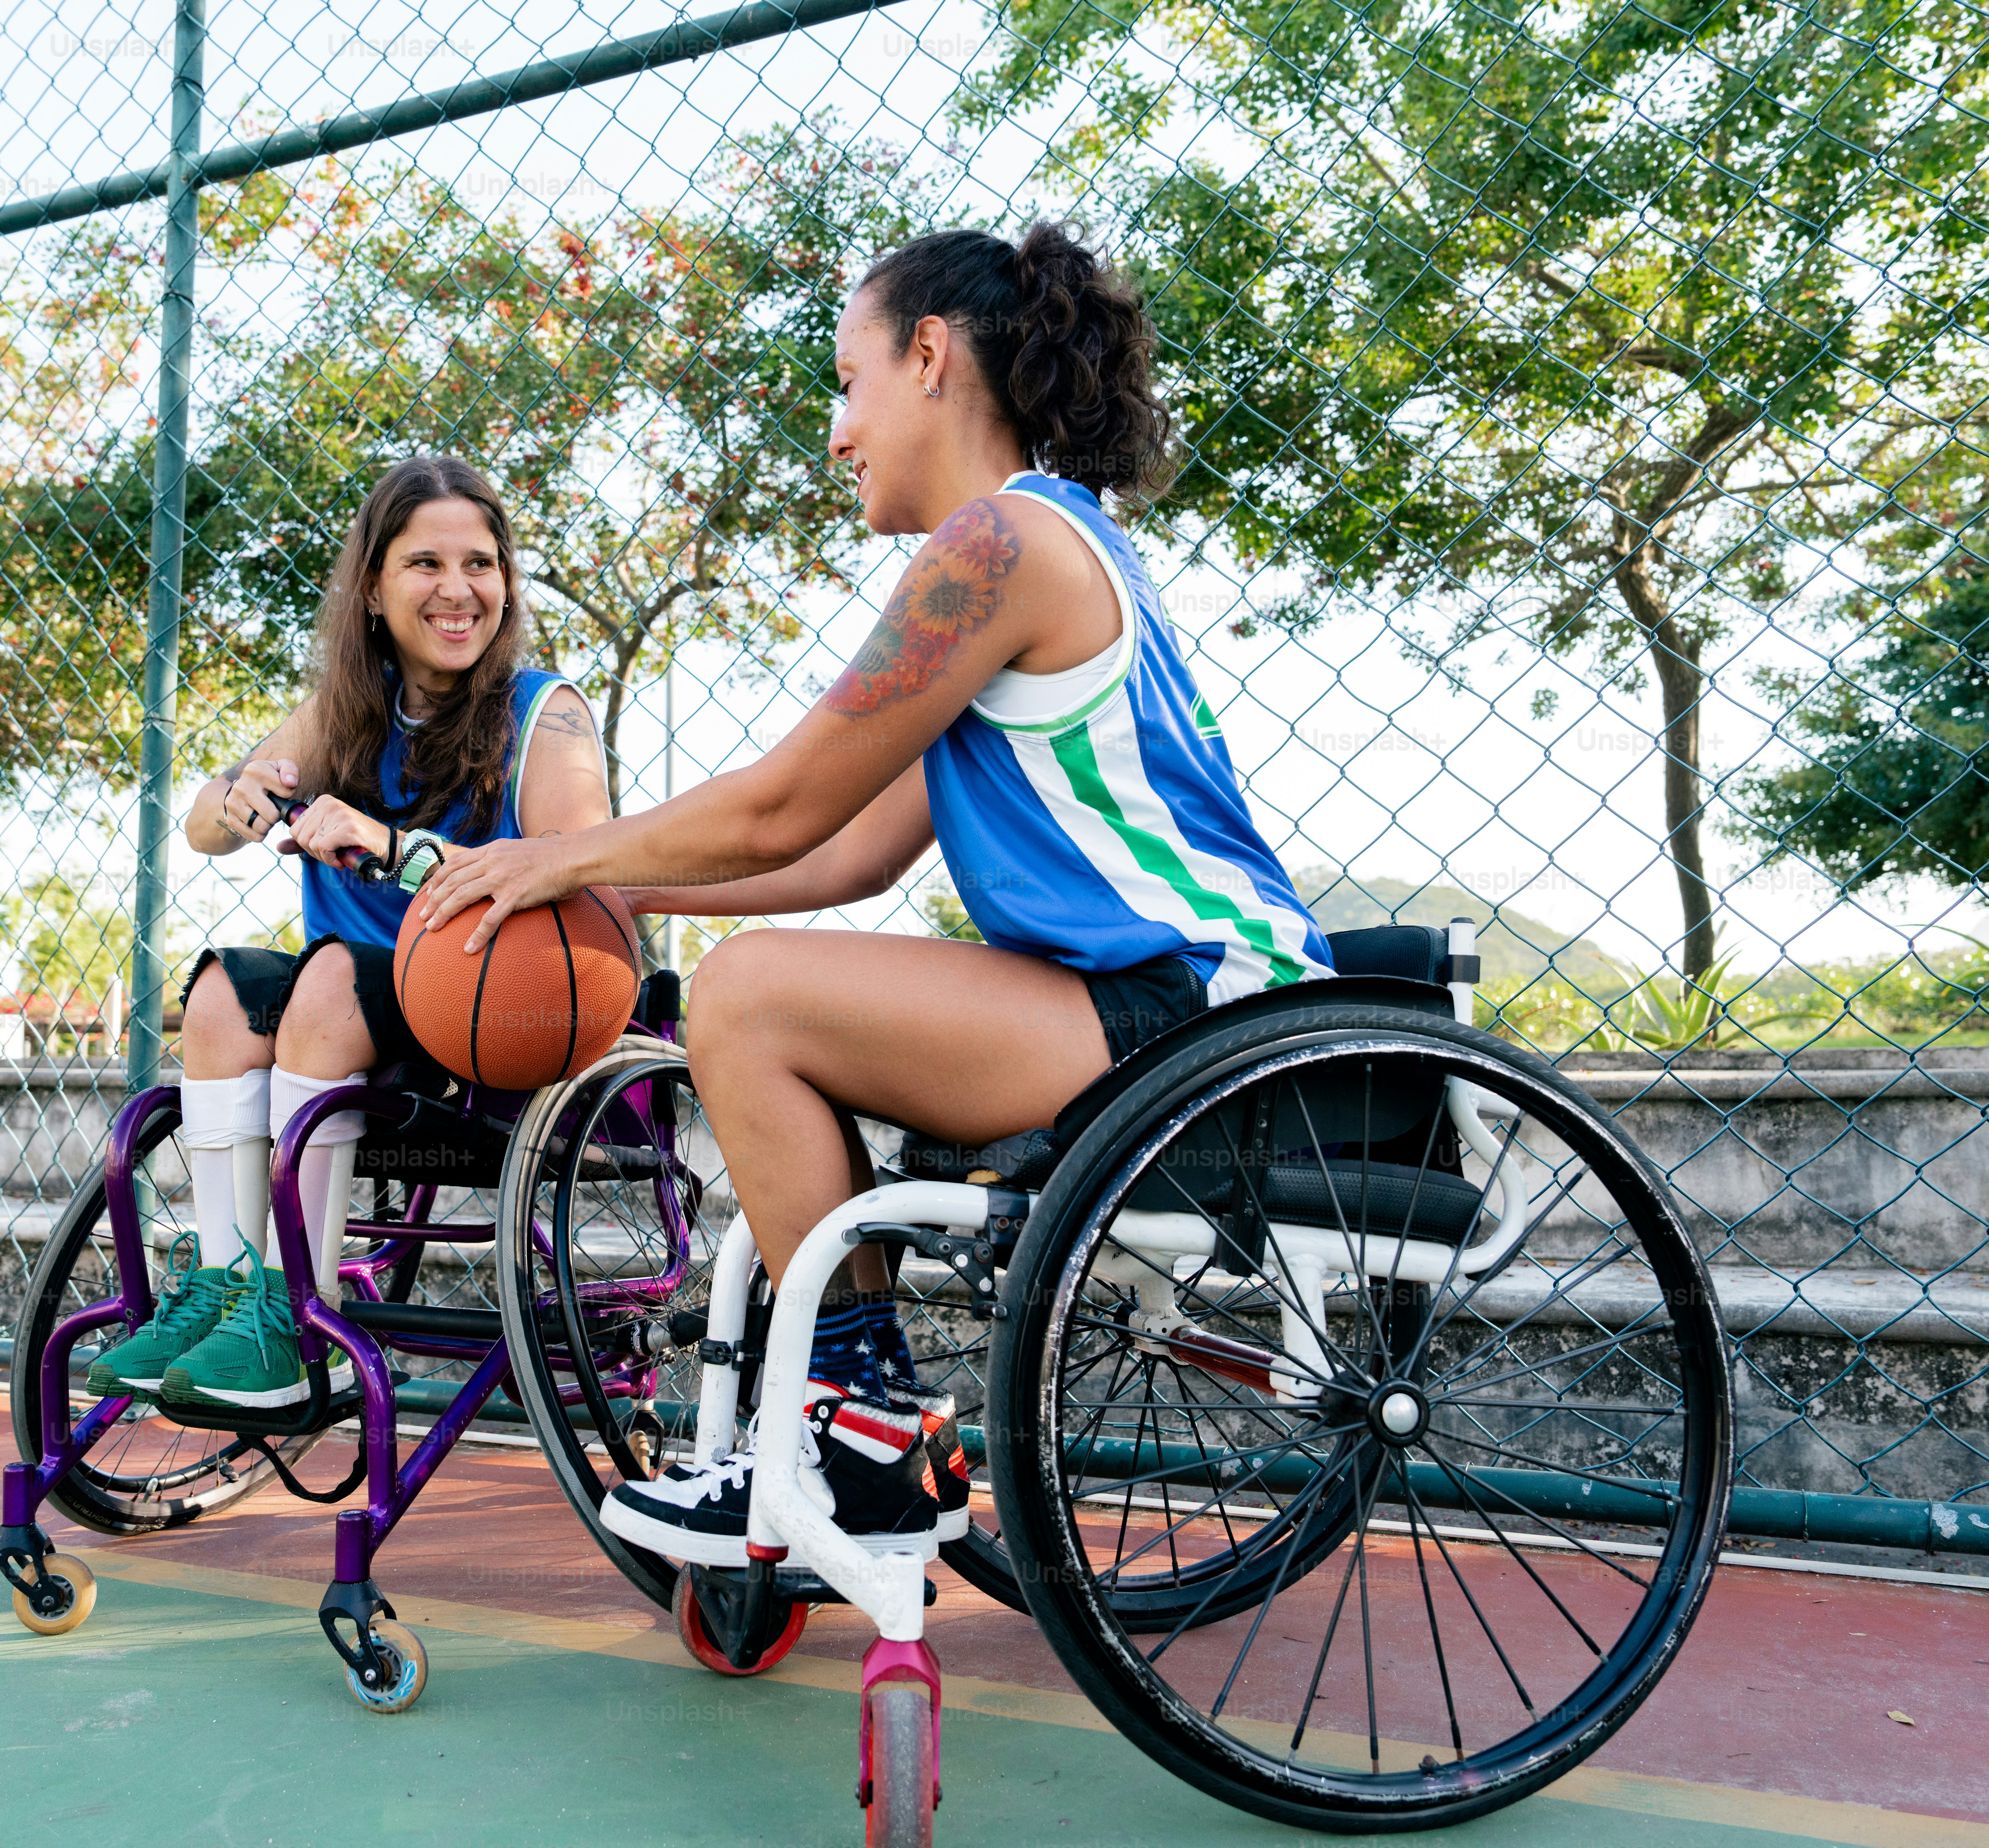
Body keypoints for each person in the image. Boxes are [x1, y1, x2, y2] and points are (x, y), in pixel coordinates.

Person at [411, 224, 1334, 1563]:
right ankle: (860, 1422)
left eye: (847, 384)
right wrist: (607, 903)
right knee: (753, 994)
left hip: (1195, 1009)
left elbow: (787, 801)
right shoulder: (1034, 544)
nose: (839, 434)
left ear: (929, 353)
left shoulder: (996, 547)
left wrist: (559, 854)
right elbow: (842, 852)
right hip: (1146, 999)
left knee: (750, 1002)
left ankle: (858, 1430)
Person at [86, 455, 610, 1412]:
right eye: (425, 565)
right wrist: (232, 798)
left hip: (491, 1015)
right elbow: (207, 826)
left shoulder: (546, 712)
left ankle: (300, 1317)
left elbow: (581, 867)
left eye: (481, 564)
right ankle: (226, 1287)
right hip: (356, 1022)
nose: (459, 590)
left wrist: (397, 848)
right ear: (372, 588)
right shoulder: (345, 711)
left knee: (325, 979)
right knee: (218, 992)